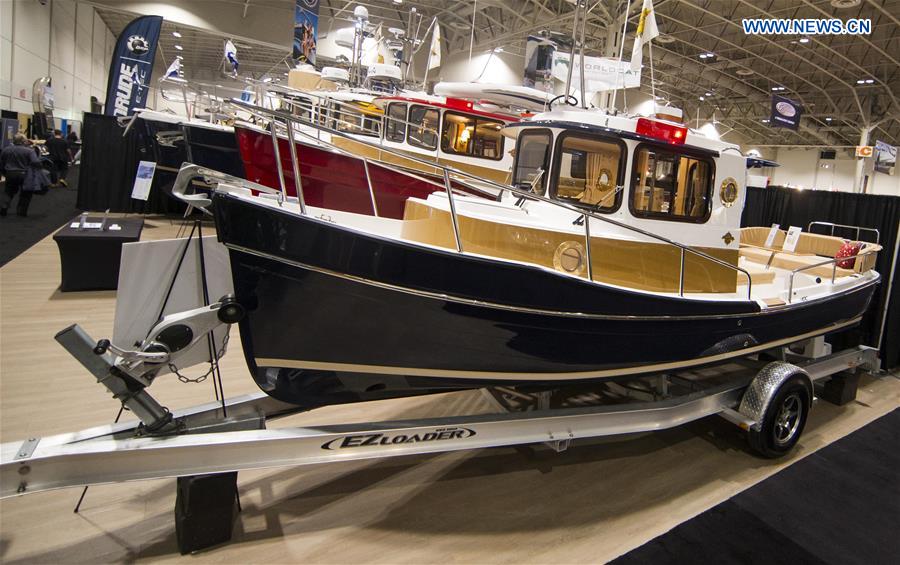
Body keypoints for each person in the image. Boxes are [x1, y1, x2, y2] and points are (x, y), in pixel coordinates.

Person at [0, 134, 42, 217]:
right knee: (26, 193)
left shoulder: (6, 150)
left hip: (10, 173)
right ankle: (21, 212)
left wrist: (4, 173)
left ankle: (3, 209)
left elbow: (2, 163)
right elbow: (35, 162)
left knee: (8, 192)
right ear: (23, 141)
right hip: (24, 174)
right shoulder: (29, 151)